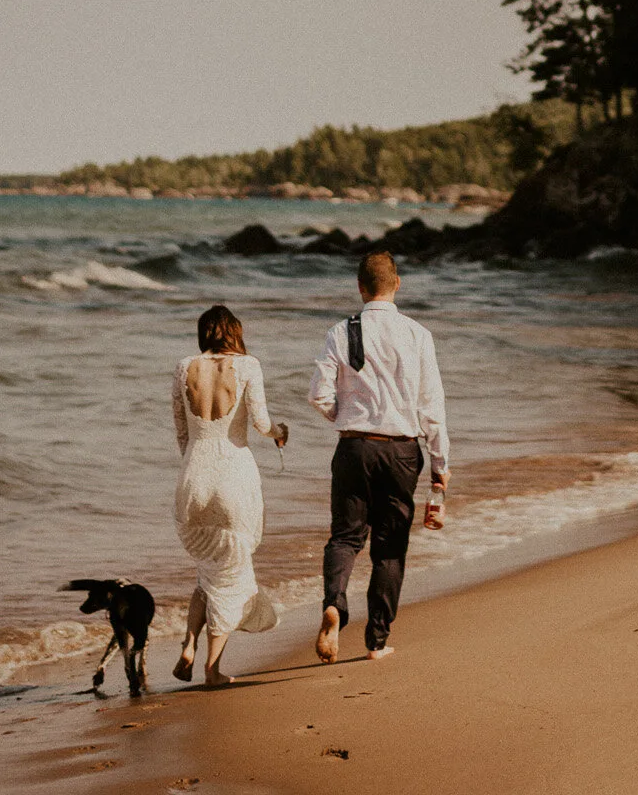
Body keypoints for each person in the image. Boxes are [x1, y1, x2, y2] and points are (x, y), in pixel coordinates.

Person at [308, 248, 449, 663]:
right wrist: (440, 469)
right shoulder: (417, 334)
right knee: (390, 545)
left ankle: (334, 604)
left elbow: (317, 394)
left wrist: (345, 416)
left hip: (354, 446)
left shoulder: (341, 331)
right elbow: (432, 408)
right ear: (397, 284)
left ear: (359, 287)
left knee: (346, 536)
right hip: (402, 451)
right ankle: (377, 641)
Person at [171, 303, 288, 687]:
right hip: (232, 475)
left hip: (193, 475)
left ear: (203, 333)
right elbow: (261, 423)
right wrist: (281, 432)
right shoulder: (248, 365)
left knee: (207, 574)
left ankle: (189, 643)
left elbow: (182, 435)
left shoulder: (183, 366)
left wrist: (195, 467)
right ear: (234, 332)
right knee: (232, 577)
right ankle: (212, 669)